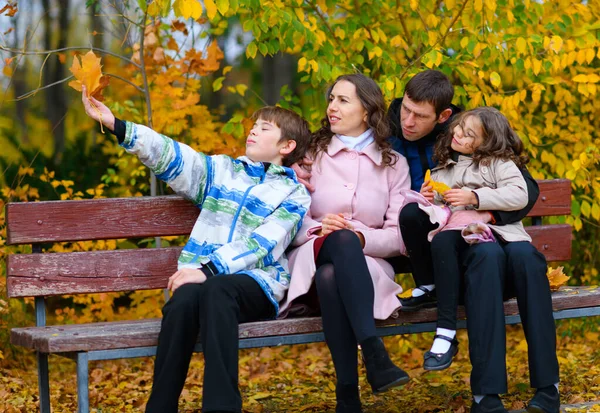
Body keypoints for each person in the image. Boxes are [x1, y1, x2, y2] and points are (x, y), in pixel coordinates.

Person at [81, 87, 312, 413]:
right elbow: (174, 156)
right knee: (183, 302)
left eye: (264, 128)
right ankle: (159, 407)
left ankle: (221, 406)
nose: (253, 130)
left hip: (257, 283)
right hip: (207, 280)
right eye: (254, 125)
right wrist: (118, 125)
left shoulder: (293, 194)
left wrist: (206, 270)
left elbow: (261, 244)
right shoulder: (222, 172)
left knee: (216, 290)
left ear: (286, 146)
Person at [391, 72, 559, 413]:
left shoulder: (478, 136)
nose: (409, 121)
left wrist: (485, 209)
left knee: (526, 259)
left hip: (506, 244)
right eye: (406, 111)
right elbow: (437, 213)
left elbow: (525, 192)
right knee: (485, 259)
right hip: (467, 255)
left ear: (443, 116)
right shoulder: (401, 139)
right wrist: (430, 200)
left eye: (420, 116)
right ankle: (486, 394)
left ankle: (548, 387)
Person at [281, 73, 412, 413]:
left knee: (333, 274)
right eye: (331, 99)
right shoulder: (311, 156)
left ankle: (347, 396)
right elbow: (285, 219)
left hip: (365, 268)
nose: (331, 108)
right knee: (333, 251)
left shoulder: (394, 164)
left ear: (367, 111)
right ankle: (374, 354)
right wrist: (318, 227)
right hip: (309, 261)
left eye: (343, 100)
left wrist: (360, 237)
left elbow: (399, 236)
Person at [400, 107, 533, 371]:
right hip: (451, 252)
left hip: (487, 251)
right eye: (459, 127)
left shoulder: (497, 165)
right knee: (413, 215)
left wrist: (475, 198)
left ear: (486, 143)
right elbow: (441, 208)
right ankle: (432, 292)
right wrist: (429, 197)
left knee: (445, 241)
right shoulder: (442, 169)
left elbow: (520, 194)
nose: (458, 134)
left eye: (468, 134)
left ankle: (445, 332)